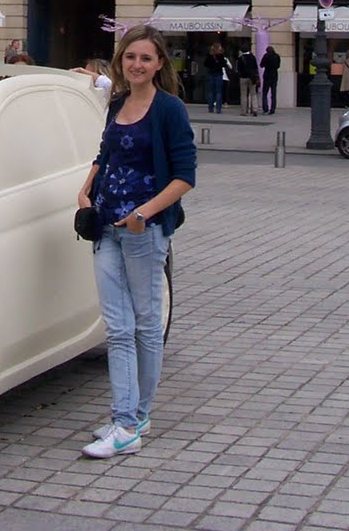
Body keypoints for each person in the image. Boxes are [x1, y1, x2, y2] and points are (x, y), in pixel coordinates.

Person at [76, 25, 196, 460]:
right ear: (121, 61)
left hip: (144, 231)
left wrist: (144, 213)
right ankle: (129, 418)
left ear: (160, 63)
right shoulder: (117, 103)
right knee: (118, 326)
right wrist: (86, 187)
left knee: (145, 323)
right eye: (130, 57)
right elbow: (105, 153)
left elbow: (185, 176)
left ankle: (131, 420)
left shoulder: (169, 110)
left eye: (146, 58)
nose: (137, 65)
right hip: (106, 225)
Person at [202, 42, 232, 114]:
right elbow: (224, 64)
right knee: (219, 92)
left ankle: (210, 108)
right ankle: (218, 109)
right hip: (219, 74)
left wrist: (211, 65)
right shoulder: (220, 56)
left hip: (211, 74)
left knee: (211, 91)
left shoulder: (210, 56)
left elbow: (205, 64)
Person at [236, 45, 260, 116]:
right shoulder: (252, 57)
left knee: (243, 95)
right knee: (253, 94)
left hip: (243, 77)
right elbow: (256, 67)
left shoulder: (240, 58)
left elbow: (238, 69)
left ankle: (244, 111)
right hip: (252, 78)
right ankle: (255, 109)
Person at [259, 43, 280, 115]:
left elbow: (261, 65)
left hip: (267, 76)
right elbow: (278, 66)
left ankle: (265, 109)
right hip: (274, 76)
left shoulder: (266, 56)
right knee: (273, 94)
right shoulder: (277, 56)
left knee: (265, 93)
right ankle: (272, 109)